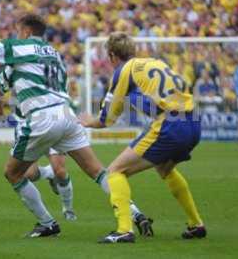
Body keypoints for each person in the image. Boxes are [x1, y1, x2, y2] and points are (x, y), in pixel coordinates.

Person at [0, 14, 152, 238]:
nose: (17, 35)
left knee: (13, 173)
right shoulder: (55, 55)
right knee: (98, 171)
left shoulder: (21, 48)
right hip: (67, 114)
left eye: (18, 31)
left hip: (41, 118)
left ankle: (48, 223)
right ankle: (135, 213)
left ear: (25, 32)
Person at [80, 32, 206, 243]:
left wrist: (87, 122)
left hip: (170, 123)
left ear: (112, 56)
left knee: (114, 171)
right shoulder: (154, 62)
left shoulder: (124, 70)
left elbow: (107, 119)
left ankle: (124, 230)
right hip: (194, 120)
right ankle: (196, 224)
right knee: (164, 168)